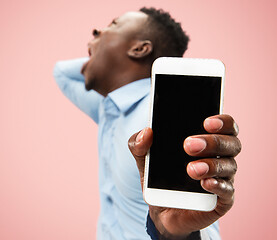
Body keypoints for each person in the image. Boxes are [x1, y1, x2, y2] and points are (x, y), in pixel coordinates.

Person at [54, 7, 241, 240]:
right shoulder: (107, 108)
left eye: (112, 25)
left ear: (140, 48)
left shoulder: (163, 115)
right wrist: (100, 58)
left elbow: (199, 222)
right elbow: (60, 72)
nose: (96, 31)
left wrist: (178, 235)